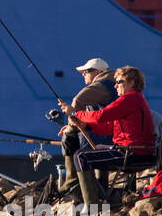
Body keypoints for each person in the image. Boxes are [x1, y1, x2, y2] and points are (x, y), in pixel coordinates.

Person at [57, 65, 155, 202]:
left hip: (131, 154)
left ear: (132, 82)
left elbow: (101, 116)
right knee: (98, 148)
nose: (115, 87)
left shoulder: (128, 99)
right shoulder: (137, 99)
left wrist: (74, 113)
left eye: (119, 82)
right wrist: (86, 126)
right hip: (138, 152)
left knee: (81, 156)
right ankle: (102, 195)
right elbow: (110, 127)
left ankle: (92, 204)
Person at [57, 58, 115, 195]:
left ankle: (74, 183)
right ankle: (102, 188)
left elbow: (78, 100)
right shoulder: (114, 84)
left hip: (104, 136)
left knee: (69, 136)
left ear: (99, 72)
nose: (83, 74)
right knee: (73, 132)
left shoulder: (100, 86)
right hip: (111, 134)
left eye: (87, 71)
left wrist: (72, 124)